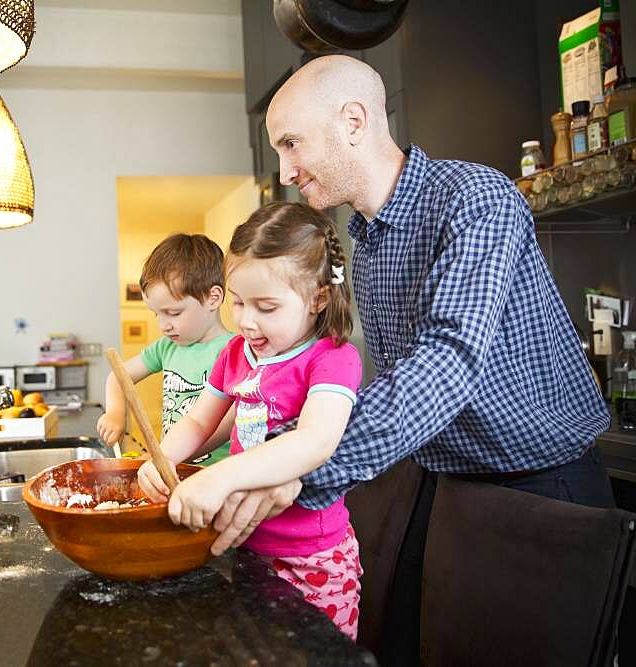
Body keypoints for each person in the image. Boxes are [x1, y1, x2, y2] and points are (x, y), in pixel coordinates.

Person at [263, 54, 615, 661]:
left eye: (291, 143)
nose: (286, 168)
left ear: (353, 121)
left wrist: (298, 459)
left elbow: (444, 365)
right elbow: (398, 382)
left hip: (545, 489)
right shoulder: (366, 238)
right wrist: (284, 440)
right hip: (449, 482)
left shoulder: (475, 198)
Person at [138, 202, 364, 639]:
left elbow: (315, 441)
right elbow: (200, 423)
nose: (246, 321)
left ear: (319, 297)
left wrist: (219, 478)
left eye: (266, 307)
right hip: (243, 549)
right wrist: (160, 458)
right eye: (239, 303)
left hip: (313, 560)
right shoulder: (235, 354)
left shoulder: (333, 359)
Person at [97, 233, 235, 465]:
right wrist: (115, 413)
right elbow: (118, 376)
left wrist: (166, 455)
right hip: (171, 467)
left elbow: (230, 422)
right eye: (157, 314)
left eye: (173, 313)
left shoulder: (235, 351)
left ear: (213, 298)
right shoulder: (167, 347)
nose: (163, 326)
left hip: (214, 474)